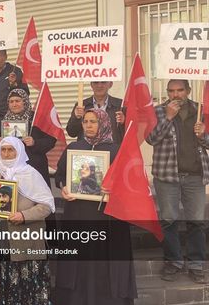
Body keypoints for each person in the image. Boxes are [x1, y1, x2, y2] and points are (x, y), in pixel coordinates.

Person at [53, 109, 137, 305]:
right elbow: (59, 176)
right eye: (85, 121)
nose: (88, 125)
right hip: (77, 214)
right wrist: (64, 187)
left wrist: (113, 190)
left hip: (106, 217)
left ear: (104, 123)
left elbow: (128, 181)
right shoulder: (74, 147)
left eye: (93, 122)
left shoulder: (116, 150)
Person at [0, 137, 55, 305]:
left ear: (19, 152)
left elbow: (46, 206)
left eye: (11, 150)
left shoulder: (31, 174)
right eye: (3, 150)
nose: (6, 154)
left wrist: (24, 215)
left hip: (24, 242)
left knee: (22, 287)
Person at [146, 79, 209, 284]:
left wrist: (204, 136)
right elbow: (151, 139)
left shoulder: (201, 110)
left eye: (180, 90)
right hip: (167, 176)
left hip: (195, 176)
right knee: (169, 220)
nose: (176, 94)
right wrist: (168, 118)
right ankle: (173, 262)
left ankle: (196, 264)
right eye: (171, 91)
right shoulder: (157, 112)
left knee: (197, 222)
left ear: (188, 91)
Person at [1, 89, 56, 186]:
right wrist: (0, 142)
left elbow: (51, 140)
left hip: (34, 168)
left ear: (25, 101)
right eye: (11, 101)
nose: (14, 104)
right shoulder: (5, 121)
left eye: (17, 101)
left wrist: (35, 143)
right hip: (11, 169)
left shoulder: (37, 118)